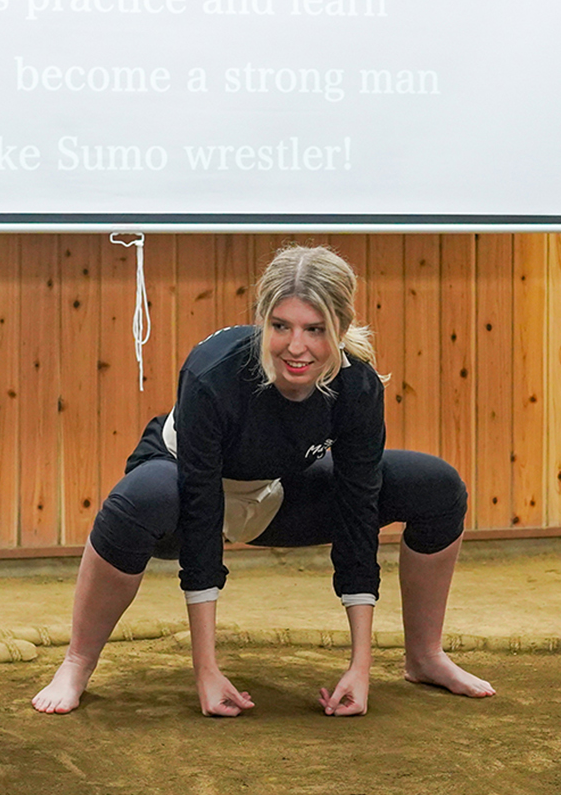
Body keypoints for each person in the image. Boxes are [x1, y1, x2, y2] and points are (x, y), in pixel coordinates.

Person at [33, 245, 494, 717]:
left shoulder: (356, 386)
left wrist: (361, 664)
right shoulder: (214, 372)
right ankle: (77, 661)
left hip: (273, 493)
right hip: (182, 492)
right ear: (262, 321)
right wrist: (205, 670)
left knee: (437, 486)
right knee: (140, 499)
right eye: (281, 326)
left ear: (341, 326)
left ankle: (424, 657)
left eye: (315, 330)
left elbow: (359, 510)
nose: (297, 347)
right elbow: (200, 503)